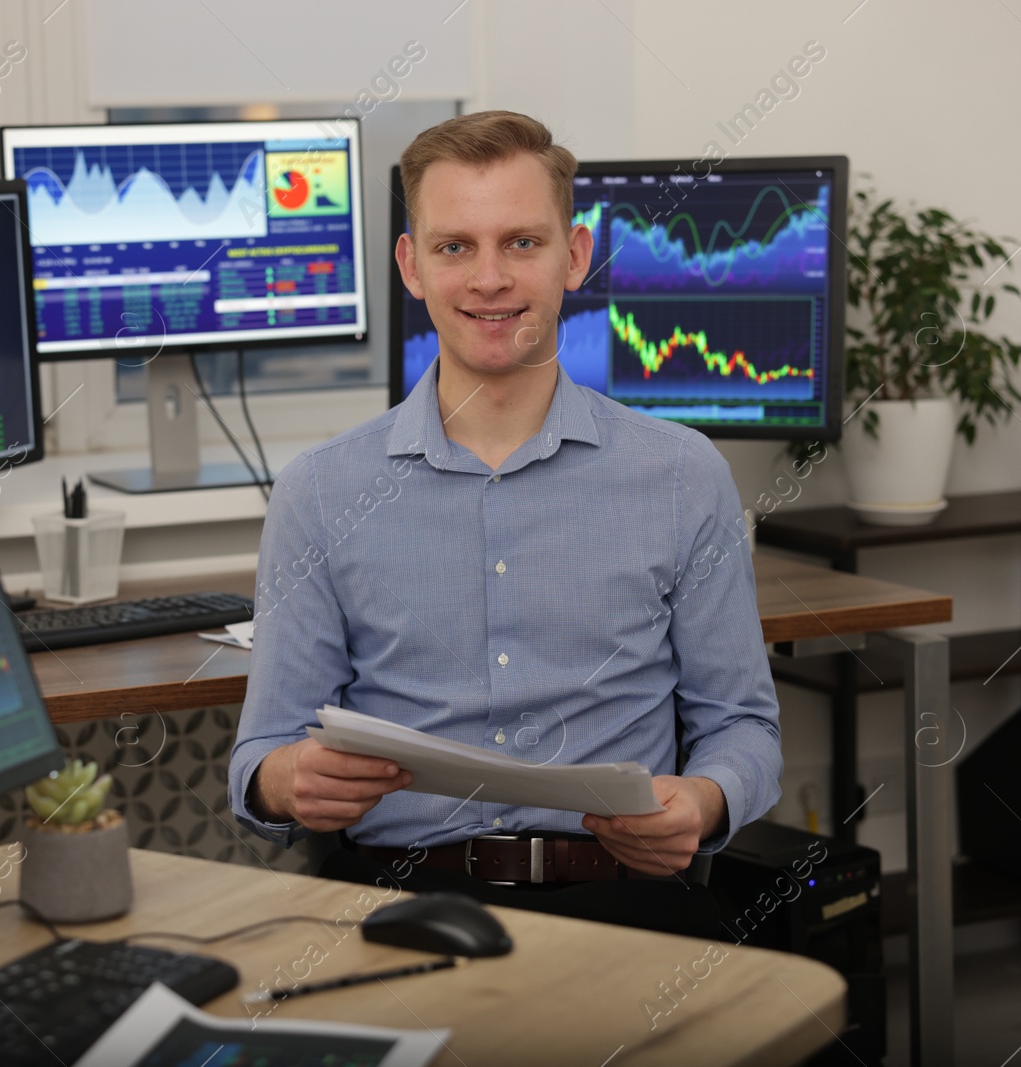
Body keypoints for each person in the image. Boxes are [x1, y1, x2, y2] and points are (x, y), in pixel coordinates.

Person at [227, 110, 781, 937]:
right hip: (392, 901)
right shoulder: (319, 490)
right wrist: (285, 781)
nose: (490, 278)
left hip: (625, 905)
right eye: (456, 247)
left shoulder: (681, 475)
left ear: (576, 256)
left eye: (522, 242)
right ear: (412, 266)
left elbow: (743, 727)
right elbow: (260, 754)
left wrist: (703, 799)